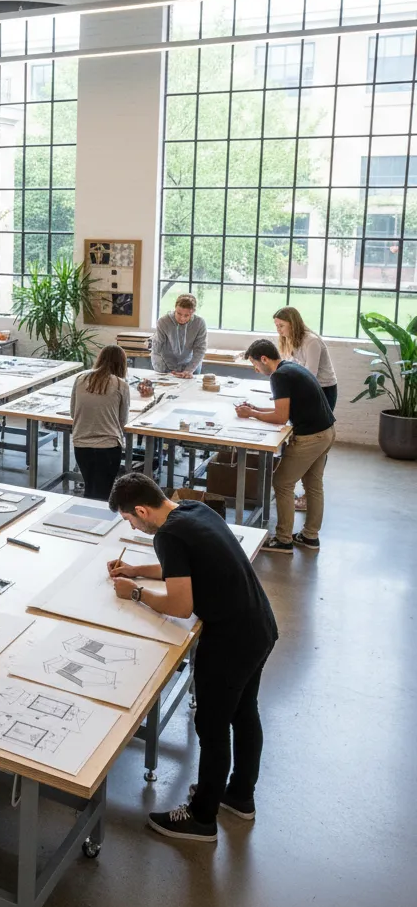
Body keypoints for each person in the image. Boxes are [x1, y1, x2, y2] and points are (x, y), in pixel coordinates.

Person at [107, 473, 278, 843]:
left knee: (212, 727)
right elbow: (184, 569)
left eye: (130, 521)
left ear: (140, 510)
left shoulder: (167, 536)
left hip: (230, 638)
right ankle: (239, 796)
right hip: (259, 624)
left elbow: (181, 605)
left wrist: (135, 593)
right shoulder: (191, 509)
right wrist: (136, 569)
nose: (133, 528)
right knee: (245, 713)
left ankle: (202, 817)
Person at [237, 339, 336, 554]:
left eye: (255, 364)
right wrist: (256, 408)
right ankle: (310, 536)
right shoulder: (291, 368)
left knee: (282, 482)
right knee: (313, 484)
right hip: (326, 431)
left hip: (311, 437)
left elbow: (281, 417)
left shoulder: (279, 376)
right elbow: (284, 409)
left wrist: (252, 414)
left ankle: (283, 540)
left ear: (264, 359)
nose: (256, 369)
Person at [272, 307, 338, 513]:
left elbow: (310, 373)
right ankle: (304, 488)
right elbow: (290, 365)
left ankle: (309, 493)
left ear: (293, 323)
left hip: (323, 388)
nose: (279, 330)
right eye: (276, 326)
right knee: (303, 435)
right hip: (307, 388)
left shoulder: (312, 341)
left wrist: (288, 393)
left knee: (315, 436)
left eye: (281, 326)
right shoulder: (289, 339)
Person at [69, 345, 130, 500]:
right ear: (121, 364)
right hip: (108, 446)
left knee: (90, 489)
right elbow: (123, 421)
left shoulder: (80, 379)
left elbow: (72, 413)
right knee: (105, 493)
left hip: (81, 444)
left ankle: (86, 521)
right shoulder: (120, 384)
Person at [151, 293, 207, 377]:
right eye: (179, 313)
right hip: (166, 366)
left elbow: (200, 350)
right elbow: (156, 349)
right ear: (175, 308)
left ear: (193, 312)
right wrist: (162, 371)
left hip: (191, 366)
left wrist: (189, 370)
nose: (182, 318)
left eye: (186, 315)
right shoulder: (163, 322)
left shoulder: (199, 323)